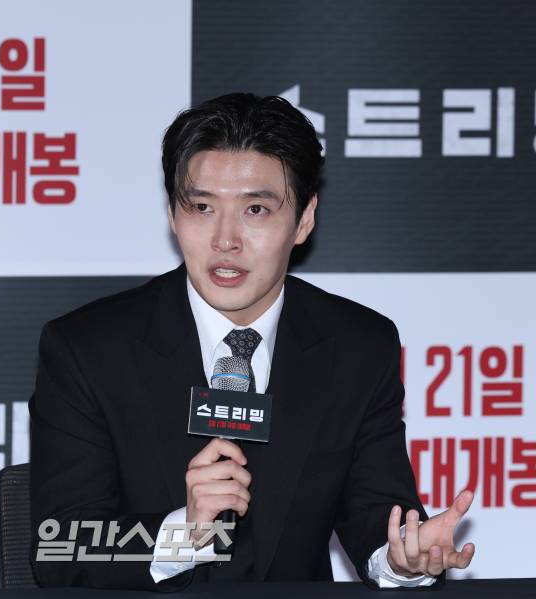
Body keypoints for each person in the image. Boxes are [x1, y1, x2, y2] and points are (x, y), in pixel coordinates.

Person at [28, 93, 475, 591]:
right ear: (173, 214)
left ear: (304, 219)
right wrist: (183, 535)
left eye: (256, 209)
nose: (226, 240)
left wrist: (403, 559)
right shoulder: (88, 350)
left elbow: (379, 518)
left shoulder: (357, 346)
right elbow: (59, 546)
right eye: (201, 207)